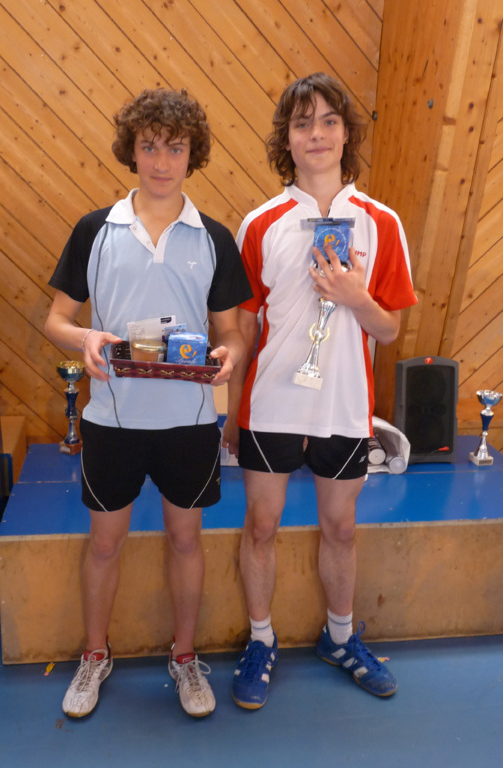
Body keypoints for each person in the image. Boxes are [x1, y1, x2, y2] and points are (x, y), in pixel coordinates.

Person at [45, 87, 251, 719]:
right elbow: (56, 319)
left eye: (176, 148)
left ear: (193, 155)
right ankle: (94, 654)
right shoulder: (95, 230)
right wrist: (84, 337)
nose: (162, 161)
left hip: (189, 423)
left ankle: (185, 657)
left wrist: (231, 355)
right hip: (112, 419)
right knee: (104, 544)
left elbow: (231, 332)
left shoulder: (214, 237)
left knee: (186, 541)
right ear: (131, 151)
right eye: (150, 146)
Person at [223, 72, 417, 709]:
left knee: (341, 527)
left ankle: (339, 637)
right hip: (270, 405)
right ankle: (260, 639)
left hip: (342, 405)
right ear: (287, 138)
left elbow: (389, 330)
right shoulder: (260, 224)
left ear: (346, 134)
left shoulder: (381, 223)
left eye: (329, 121)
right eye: (303, 123)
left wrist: (357, 297)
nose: (317, 134)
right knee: (261, 526)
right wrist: (233, 412)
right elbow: (244, 327)